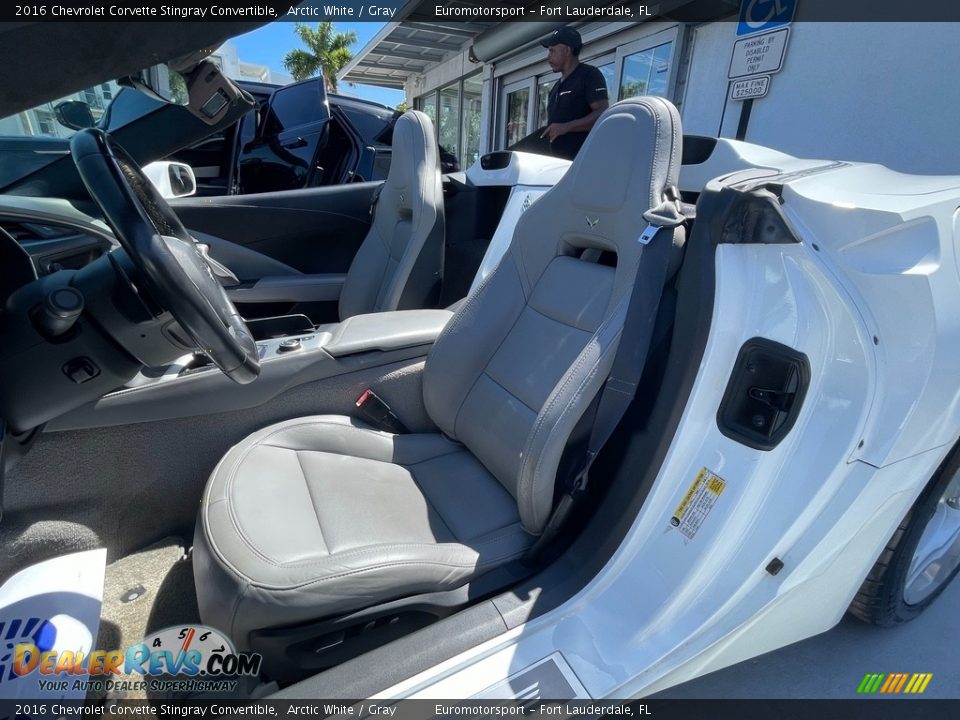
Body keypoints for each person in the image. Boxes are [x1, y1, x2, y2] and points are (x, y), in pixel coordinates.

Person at [539, 27, 610, 159]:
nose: (548, 57)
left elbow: (603, 114)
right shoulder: (555, 88)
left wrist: (567, 127)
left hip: (580, 165)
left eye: (552, 50)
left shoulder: (589, 75)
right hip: (555, 165)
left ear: (567, 50)